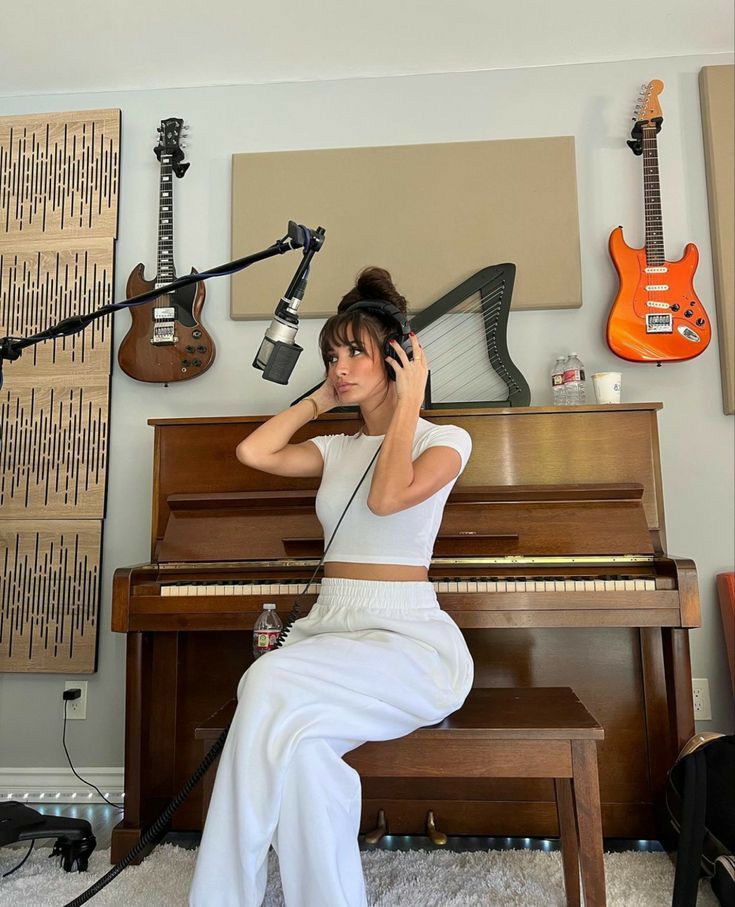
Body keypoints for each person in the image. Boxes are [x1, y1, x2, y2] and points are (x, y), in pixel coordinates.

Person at [189, 267, 474, 907]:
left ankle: (220, 898)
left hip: (408, 646)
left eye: (355, 353)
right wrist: (319, 399)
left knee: (263, 683)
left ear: (398, 358)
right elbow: (253, 453)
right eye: (331, 355)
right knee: (303, 755)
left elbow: (388, 493)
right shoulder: (335, 447)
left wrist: (408, 403)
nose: (340, 367)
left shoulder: (447, 440)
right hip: (332, 630)